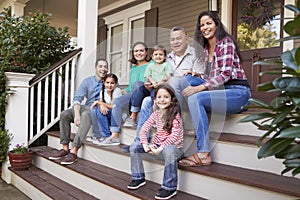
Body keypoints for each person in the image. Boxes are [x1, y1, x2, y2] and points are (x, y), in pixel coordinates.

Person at [178, 11, 251, 166]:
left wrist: (200, 88)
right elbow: (212, 78)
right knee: (186, 80)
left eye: (209, 23)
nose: (205, 27)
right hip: (221, 92)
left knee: (196, 96)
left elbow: (225, 74)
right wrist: (197, 76)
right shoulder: (206, 51)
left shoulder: (226, 42)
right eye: (202, 25)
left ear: (217, 24)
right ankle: (176, 125)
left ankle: (203, 153)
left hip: (237, 92)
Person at [127, 27, 204, 151]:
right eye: (172, 39)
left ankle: (171, 125)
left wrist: (185, 77)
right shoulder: (167, 57)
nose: (176, 42)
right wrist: (151, 83)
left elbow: (200, 76)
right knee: (147, 101)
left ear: (186, 39)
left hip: (188, 91)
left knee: (174, 81)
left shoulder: (196, 53)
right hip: (167, 94)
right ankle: (140, 142)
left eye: (179, 38)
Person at [127, 84, 184, 200]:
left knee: (169, 149)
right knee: (134, 146)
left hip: (174, 150)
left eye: (166, 97)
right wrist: (145, 144)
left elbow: (173, 137)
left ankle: (169, 187)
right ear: (155, 100)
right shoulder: (156, 114)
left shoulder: (175, 116)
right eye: (159, 97)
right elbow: (143, 130)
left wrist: (160, 148)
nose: (162, 100)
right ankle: (138, 177)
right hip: (158, 147)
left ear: (172, 99)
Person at [49, 58, 109, 165]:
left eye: (105, 67)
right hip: (87, 107)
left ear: (108, 69)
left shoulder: (110, 81)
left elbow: (116, 97)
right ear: (95, 68)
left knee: (86, 114)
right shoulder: (88, 81)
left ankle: (74, 150)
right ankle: (65, 147)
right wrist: (76, 114)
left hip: (98, 110)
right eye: (100, 66)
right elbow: (77, 98)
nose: (103, 69)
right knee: (65, 114)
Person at [94, 41, 151, 145]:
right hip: (133, 94)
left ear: (146, 52)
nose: (139, 53)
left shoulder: (152, 64)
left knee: (138, 84)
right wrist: (118, 91)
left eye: (141, 51)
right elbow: (130, 87)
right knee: (117, 102)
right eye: (136, 51)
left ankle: (133, 116)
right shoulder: (133, 68)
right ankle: (115, 135)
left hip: (146, 92)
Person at [124, 44, 173, 126]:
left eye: (160, 55)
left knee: (154, 100)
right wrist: (152, 82)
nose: (158, 56)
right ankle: (133, 115)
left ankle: (156, 119)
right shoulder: (150, 66)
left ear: (165, 57)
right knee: (140, 88)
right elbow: (148, 76)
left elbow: (168, 76)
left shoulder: (166, 65)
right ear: (152, 57)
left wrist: (160, 82)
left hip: (162, 87)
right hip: (152, 86)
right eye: (156, 55)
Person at [90, 73, 122, 145]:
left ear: (115, 84)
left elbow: (113, 106)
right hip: (109, 114)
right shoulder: (103, 91)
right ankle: (104, 135)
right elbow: (101, 103)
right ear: (104, 83)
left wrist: (98, 102)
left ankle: (107, 136)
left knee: (107, 109)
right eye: (107, 82)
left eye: (112, 83)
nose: (109, 85)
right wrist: (101, 105)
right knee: (98, 110)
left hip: (117, 117)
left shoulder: (117, 91)